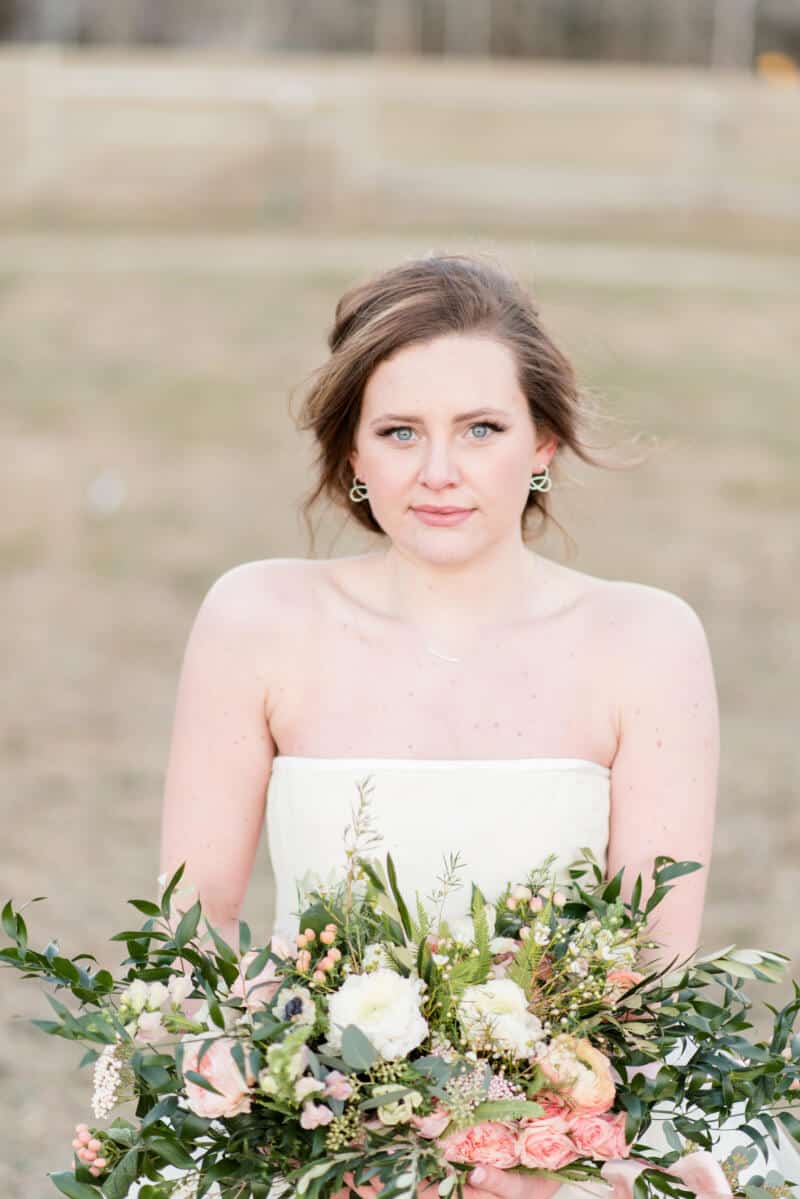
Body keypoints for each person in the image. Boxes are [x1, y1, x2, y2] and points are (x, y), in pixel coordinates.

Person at [158, 253, 722, 1199]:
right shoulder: (254, 618)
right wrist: (288, 1084)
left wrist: (532, 1146)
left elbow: (651, 962)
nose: (439, 473)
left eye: (481, 429)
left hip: (555, 1135)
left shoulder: (647, 639)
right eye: (399, 431)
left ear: (542, 443)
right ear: (351, 453)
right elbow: (195, 914)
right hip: (311, 1132)